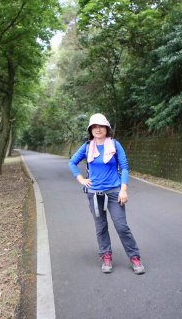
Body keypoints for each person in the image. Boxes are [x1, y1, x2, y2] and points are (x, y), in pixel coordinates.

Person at [68, 113, 145, 275]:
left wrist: (123, 189)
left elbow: (124, 167)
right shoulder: (87, 146)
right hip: (94, 193)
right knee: (101, 226)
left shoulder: (115, 145)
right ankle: (106, 256)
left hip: (114, 191)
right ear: (90, 129)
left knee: (121, 226)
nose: (97, 129)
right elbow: (72, 162)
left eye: (100, 126)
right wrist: (81, 179)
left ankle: (134, 257)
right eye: (94, 127)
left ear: (106, 128)